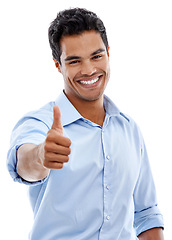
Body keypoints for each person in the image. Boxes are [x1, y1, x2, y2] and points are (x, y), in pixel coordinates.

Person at [7, 8, 164, 240]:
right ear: (58, 65)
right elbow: (24, 163)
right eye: (74, 61)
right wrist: (41, 155)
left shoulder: (129, 130)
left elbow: (146, 215)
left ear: (109, 53)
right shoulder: (40, 122)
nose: (89, 69)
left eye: (97, 56)